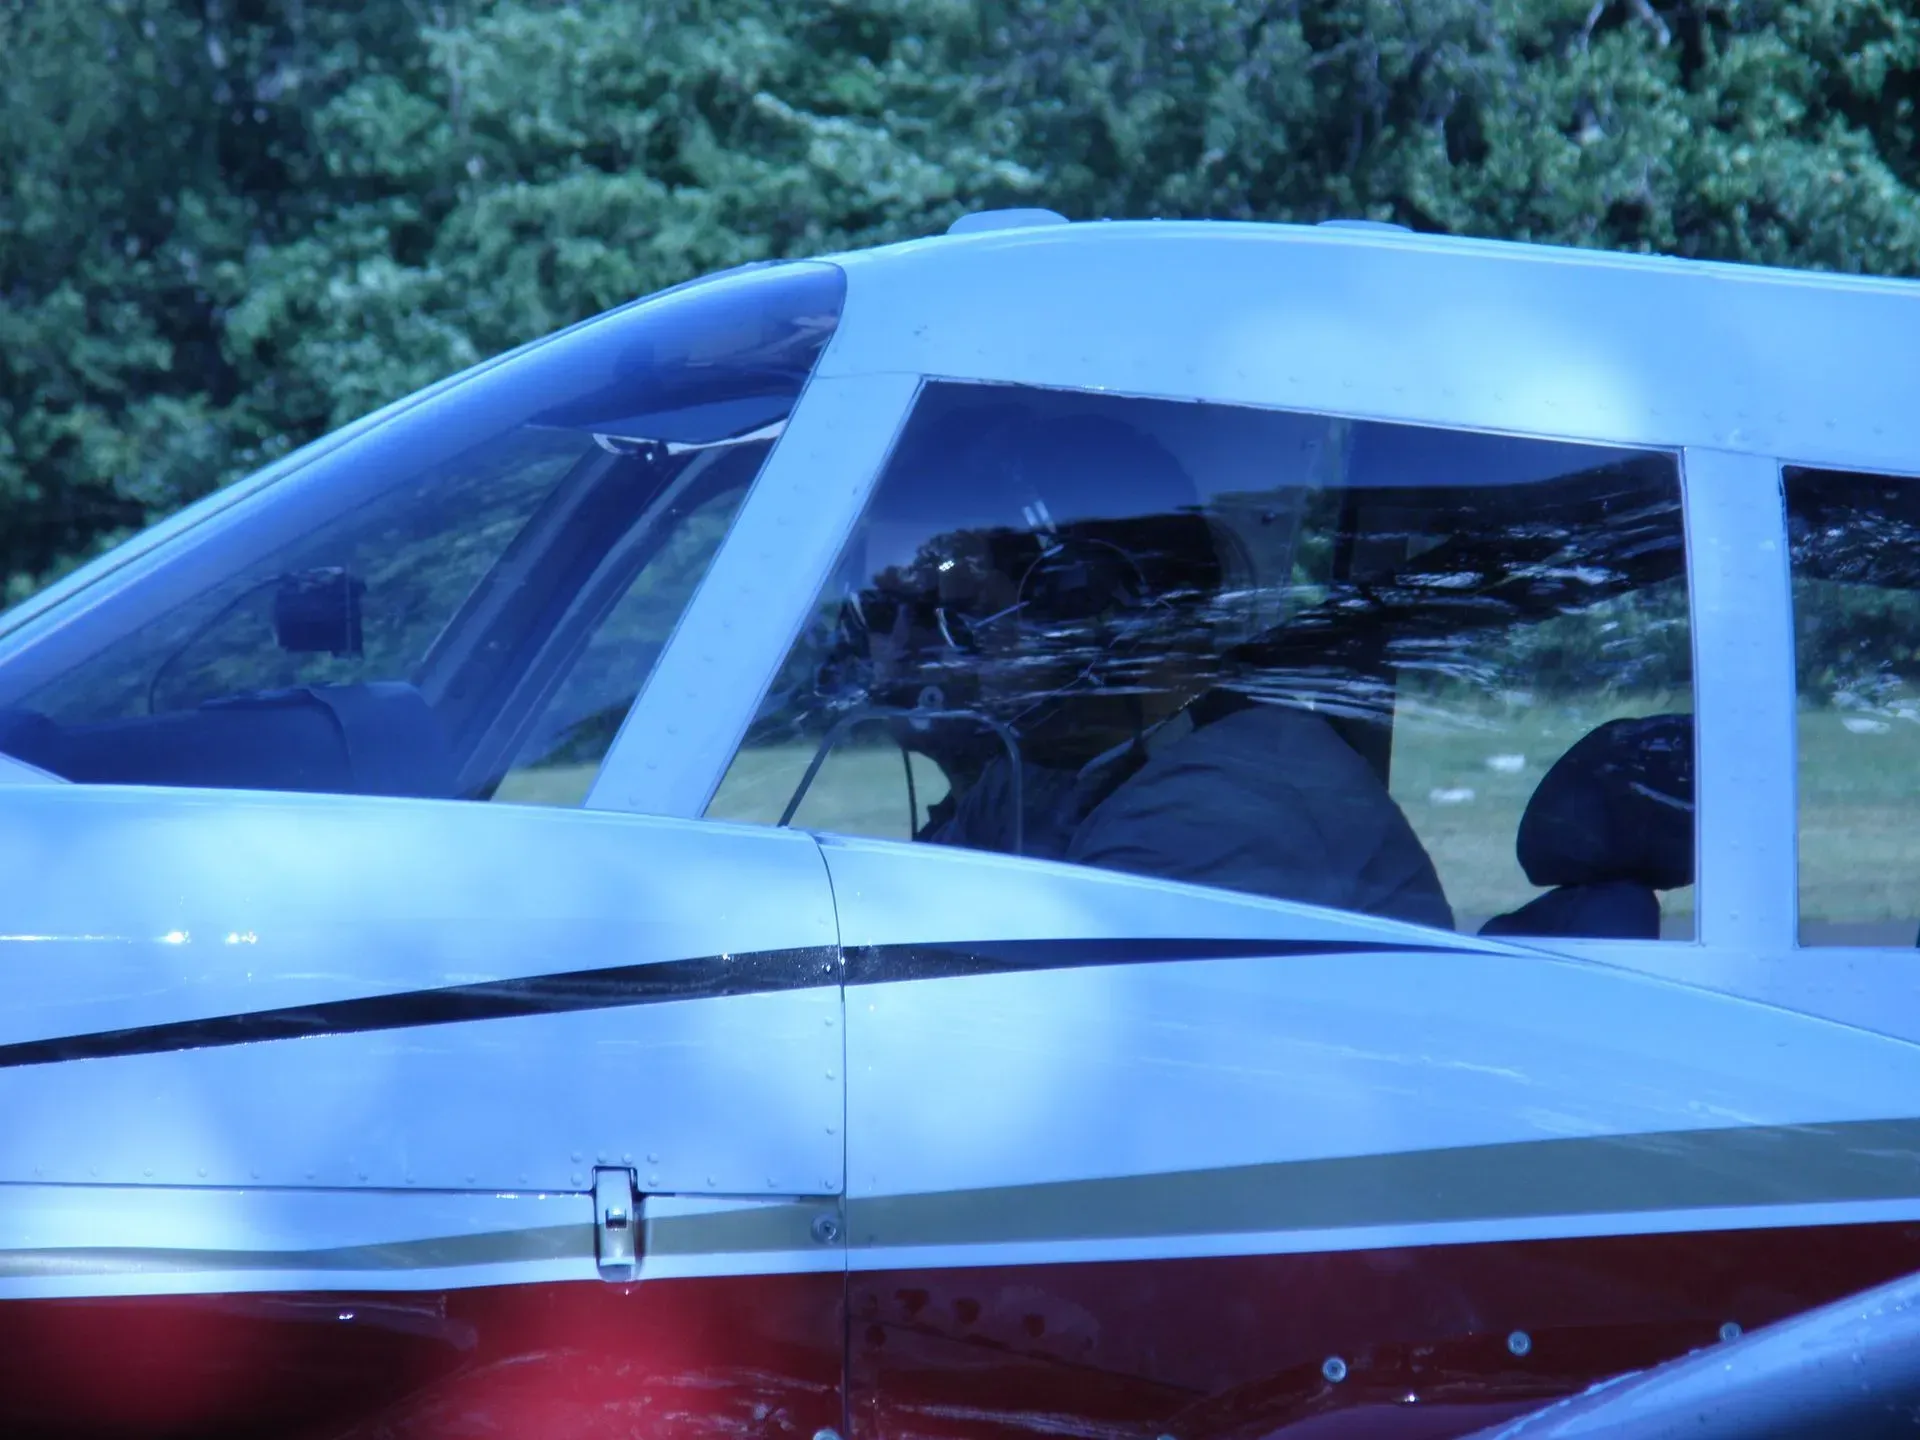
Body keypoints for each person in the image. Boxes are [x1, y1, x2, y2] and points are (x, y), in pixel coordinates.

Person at [848, 406, 1454, 931]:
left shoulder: (1216, 808)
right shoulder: (1053, 768)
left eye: (973, 617)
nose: (961, 655)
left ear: (1082, 600)